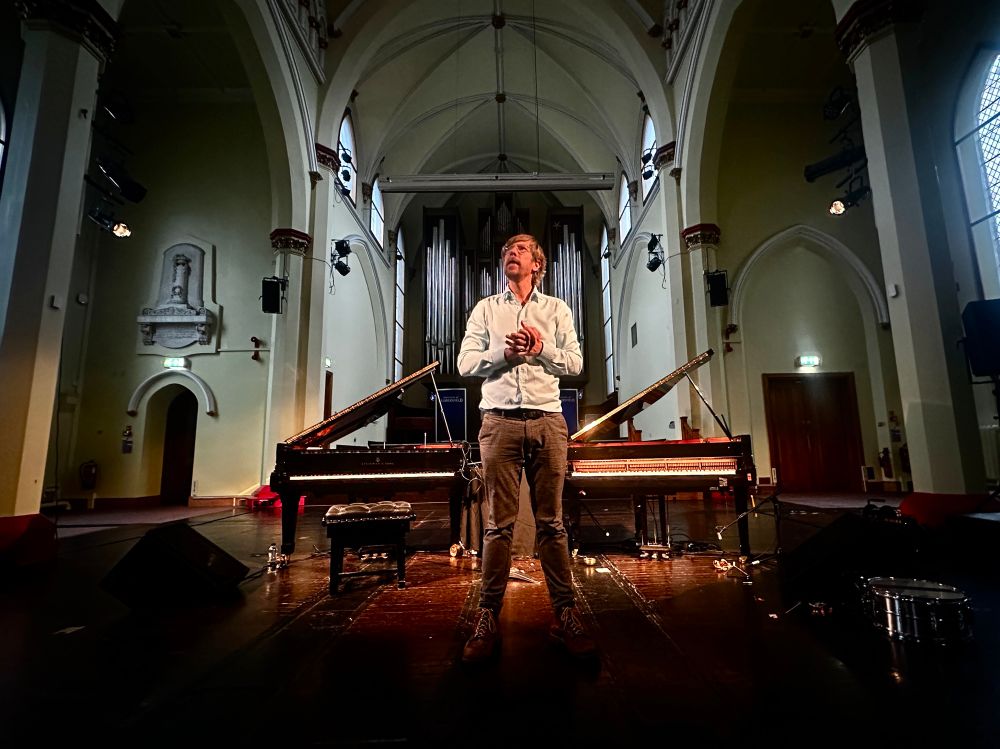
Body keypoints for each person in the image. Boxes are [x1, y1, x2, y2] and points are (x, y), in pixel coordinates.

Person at [457, 232, 597, 663]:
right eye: (505, 251)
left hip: (548, 423)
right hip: (498, 423)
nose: (509, 254)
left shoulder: (557, 309)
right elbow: (464, 363)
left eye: (519, 249)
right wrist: (505, 354)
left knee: (552, 525)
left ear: (538, 263)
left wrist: (540, 349)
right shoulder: (486, 308)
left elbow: (576, 363)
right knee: (497, 525)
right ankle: (487, 617)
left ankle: (565, 613)